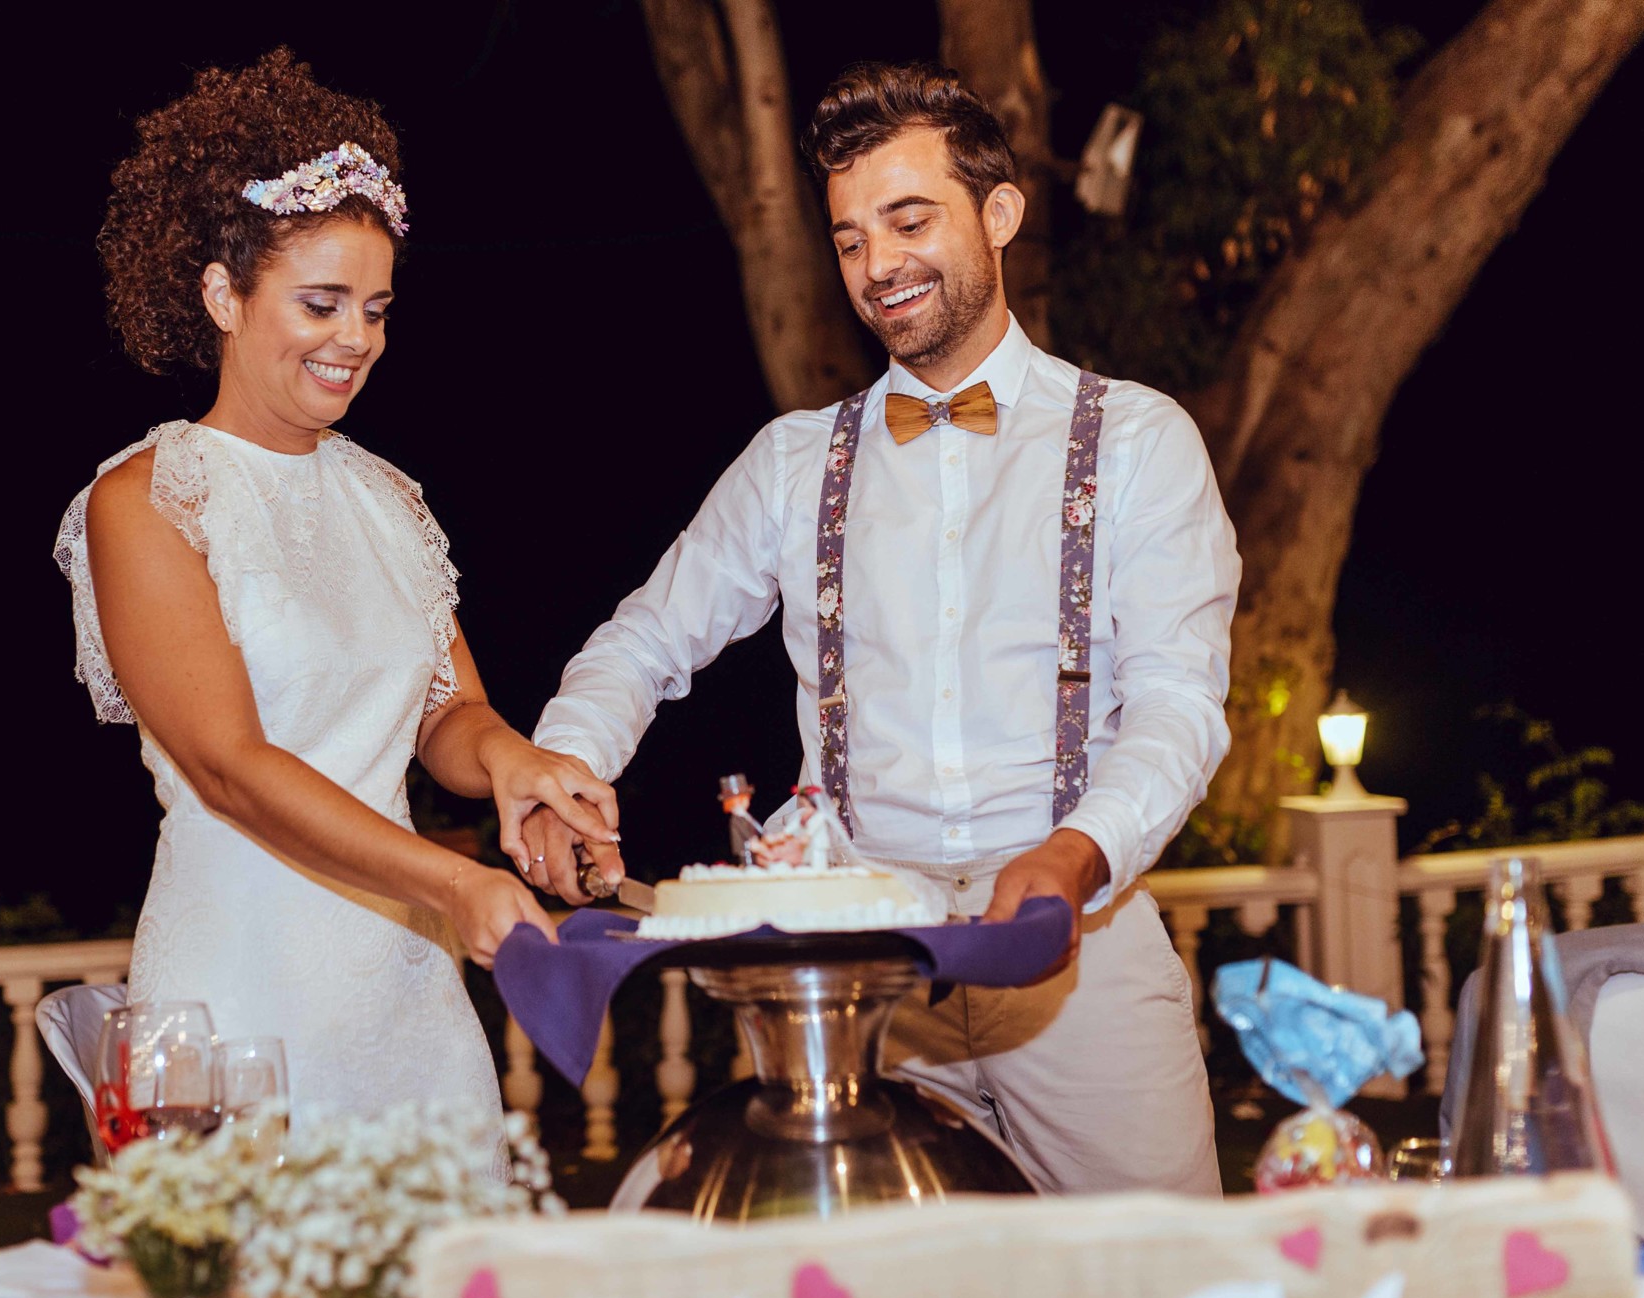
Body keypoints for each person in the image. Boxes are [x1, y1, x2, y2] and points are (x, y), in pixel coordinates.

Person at [523, 62, 1239, 1195]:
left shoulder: (1137, 442)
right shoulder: (792, 461)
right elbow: (644, 639)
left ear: (997, 214)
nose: (876, 265)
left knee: (1160, 1289)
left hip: (1081, 969)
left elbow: (1177, 707)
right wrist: (562, 767)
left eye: (908, 221)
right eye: (850, 239)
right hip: (861, 984)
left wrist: (1070, 852)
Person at [53, 50, 616, 1121]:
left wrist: (514, 765)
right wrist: (451, 883)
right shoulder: (147, 500)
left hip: (401, 994)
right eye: (321, 303)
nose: (354, 339)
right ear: (223, 294)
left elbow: (447, 707)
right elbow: (230, 768)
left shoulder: (387, 499)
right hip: (237, 989)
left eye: (375, 308)